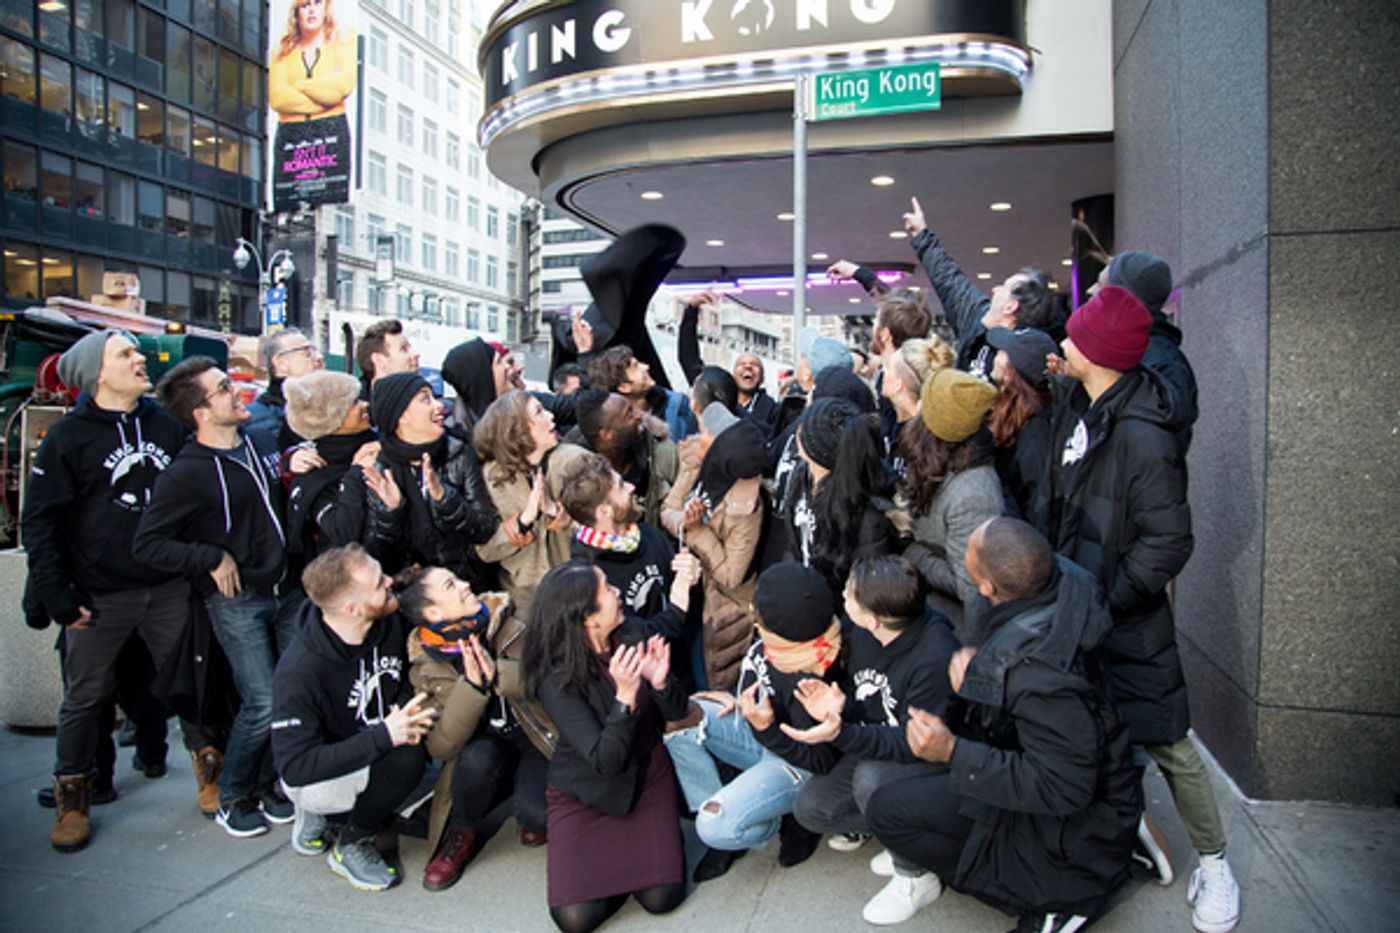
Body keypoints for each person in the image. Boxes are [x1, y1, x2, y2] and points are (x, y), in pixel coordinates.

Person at [1040, 285, 1239, 933]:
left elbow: (1169, 541)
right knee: (1096, 739)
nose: (1062, 344)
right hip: (1078, 609)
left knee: (1169, 741)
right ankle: (1137, 834)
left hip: (1125, 621)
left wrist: (1109, 599)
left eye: (1074, 336)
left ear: (1097, 353)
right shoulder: (1082, 402)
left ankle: (1215, 863)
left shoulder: (1144, 433)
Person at [862, 518, 1140, 931]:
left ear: (988, 587)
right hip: (1079, 770)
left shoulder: (1040, 674)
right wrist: (982, 671)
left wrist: (953, 752)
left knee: (887, 811)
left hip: (1070, 829)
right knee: (894, 801)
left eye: (970, 556)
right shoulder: (1070, 586)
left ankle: (1057, 901)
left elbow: (1063, 787)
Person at [25, 331, 217, 850]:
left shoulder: (166, 425)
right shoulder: (69, 437)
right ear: (97, 373)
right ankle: (72, 794)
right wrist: (56, 592)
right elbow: (39, 521)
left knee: (191, 685)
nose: (140, 360)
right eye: (125, 354)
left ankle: (210, 772)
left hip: (169, 586)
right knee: (85, 698)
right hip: (99, 594)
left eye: (137, 351)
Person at [133, 356, 301, 839]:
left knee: (289, 695)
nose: (237, 393)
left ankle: (268, 783)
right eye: (225, 388)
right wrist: (209, 557)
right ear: (202, 411)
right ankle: (233, 792)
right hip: (238, 600)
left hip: (287, 591)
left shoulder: (259, 443)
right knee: (264, 701)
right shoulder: (186, 472)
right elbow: (147, 543)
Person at [521, 560, 696, 933]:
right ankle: (609, 866)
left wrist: (662, 683)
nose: (618, 591)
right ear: (587, 618)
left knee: (663, 899)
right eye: (608, 590)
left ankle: (644, 856)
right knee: (575, 920)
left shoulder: (632, 631)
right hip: (587, 790)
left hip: (648, 775)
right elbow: (605, 760)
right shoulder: (556, 675)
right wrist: (626, 698)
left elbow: (678, 710)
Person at [785, 555, 960, 907]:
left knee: (870, 780)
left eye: (849, 594)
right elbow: (871, 701)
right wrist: (841, 707)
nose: (843, 598)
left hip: (927, 761)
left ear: (874, 619)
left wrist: (841, 733)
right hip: (877, 741)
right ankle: (899, 835)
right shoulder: (865, 633)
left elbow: (915, 743)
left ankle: (917, 873)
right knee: (811, 809)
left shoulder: (936, 655)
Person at [270, 544, 435, 892]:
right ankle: (351, 841)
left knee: (430, 762)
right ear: (351, 608)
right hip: (319, 774)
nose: (390, 581)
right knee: (407, 757)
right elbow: (295, 767)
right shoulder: (300, 670)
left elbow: (402, 677)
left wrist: (402, 709)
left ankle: (346, 813)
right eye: (378, 583)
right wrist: (384, 735)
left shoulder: (387, 621)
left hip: (373, 742)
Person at [665, 562, 843, 881]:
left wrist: (767, 730)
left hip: (791, 761)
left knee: (713, 826)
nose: (752, 607)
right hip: (755, 729)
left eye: (759, 606)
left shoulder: (812, 676)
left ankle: (777, 815)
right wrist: (732, 696)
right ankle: (718, 802)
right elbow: (759, 675)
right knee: (681, 714)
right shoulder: (780, 643)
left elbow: (820, 761)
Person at [396, 566, 554, 891]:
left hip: (536, 737)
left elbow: (554, 681)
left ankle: (527, 805)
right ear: (432, 611)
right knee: (475, 761)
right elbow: (441, 747)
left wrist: (499, 675)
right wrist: (472, 688)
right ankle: (461, 830)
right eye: (451, 585)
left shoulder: (515, 622)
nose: (467, 585)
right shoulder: (425, 667)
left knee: (539, 816)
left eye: (459, 578)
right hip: (485, 752)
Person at [659, 403, 767, 691]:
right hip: (688, 594)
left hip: (719, 615)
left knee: (706, 687)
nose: (699, 435)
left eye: (707, 432)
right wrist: (689, 470)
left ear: (722, 450)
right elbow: (667, 509)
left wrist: (696, 531)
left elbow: (732, 575)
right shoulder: (706, 468)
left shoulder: (746, 506)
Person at [364, 371, 498, 591]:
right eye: (425, 399)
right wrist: (391, 512)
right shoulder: (380, 471)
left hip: (466, 584)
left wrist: (445, 500)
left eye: (434, 397)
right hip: (410, 594)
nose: (439, 407)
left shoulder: (459, 453)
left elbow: (484, 529)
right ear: (401, 415)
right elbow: (379, 558)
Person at [902, 196, 1058, 381]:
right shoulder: (978, 319)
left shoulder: (1023, 360)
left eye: (1004, 288)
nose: (994, 289)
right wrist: (921, 234)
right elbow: (950, 279)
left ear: (1010, 307)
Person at [899, 368, 1005, 614]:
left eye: (928, 402)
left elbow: (968, 587)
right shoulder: (941, 457)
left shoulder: (973, 496)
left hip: (947, 623)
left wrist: (910, 549)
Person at [473, 390, 586, 614]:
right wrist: (525, 520)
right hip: (525, 600)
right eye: (539, 412)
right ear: (517, 430)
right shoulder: (491, 478)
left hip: (577, 588)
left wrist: (555, 511)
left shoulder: (576, 461)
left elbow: (604, 529)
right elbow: (485, 551)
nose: (552, 416)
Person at [781, 397, 899, 596]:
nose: (797, 431)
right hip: (803, 599)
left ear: (816, 449)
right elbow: (793, 546)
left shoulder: (868, 519)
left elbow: (868, 594)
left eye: (803, 430)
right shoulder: (802, 475)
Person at [1093, 249, 1199, 451]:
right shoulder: (1118, 352)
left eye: (1101, 285)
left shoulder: (1163, 364)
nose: (1091, 291)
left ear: (1123, 297)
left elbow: (1159, 457)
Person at [557, 450, 679, 623]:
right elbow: (626, 637)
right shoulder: (593, 578)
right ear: (604, 511)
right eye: (621, 486)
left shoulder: (650, 535)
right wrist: (678, 612)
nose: (631, 487)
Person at [282, 370, 380, 558]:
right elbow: (343, 533)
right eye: (354, 402)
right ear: (331, 418)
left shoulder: (379, 444)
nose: (365, 405)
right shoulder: (314, 473)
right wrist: (356, 474)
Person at [268, 0, 356, 207]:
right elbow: (278, 98)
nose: (311, 10)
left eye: (317, 2)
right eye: (304, 5)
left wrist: (299, 86)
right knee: (287, 206)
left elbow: (342, 86)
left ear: (326, 7)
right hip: (291, 135)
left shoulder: (343, 41)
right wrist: (324, 99)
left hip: (332, 131)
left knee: (332, 203)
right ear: (296, 12)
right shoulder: (281, 50)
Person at [570, 387, 679, 529]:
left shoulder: (663, 452)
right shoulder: (580, 479)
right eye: (628, 414)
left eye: (632, 408)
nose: (639, 415)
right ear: (607, 434)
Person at [985, 326, 1056, 520]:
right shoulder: (1013, 413)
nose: (995, 354)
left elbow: (1038, 510)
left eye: (1002, 351)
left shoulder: (1035, 435)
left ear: (1011, 373)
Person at [586, 344, 696, 442]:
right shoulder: (617, 429)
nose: (646, 367)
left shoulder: (678, 404)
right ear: (624, 387)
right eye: (635, 367)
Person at [878, 335, 955, 472]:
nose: (882, 371)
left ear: (898, 385)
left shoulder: (924, 443)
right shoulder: (894, 421)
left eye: (888, 367)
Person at [245, 328, 324, 444]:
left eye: (316, 351)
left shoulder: (327, 408)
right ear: (281, 363)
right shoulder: (258, 418)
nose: (319, 357)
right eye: (307, 352)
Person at [355, 319, 420, 391]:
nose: (416, 354)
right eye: (403, 349)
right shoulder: (350, 400)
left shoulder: (427, 398)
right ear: (379, 360)